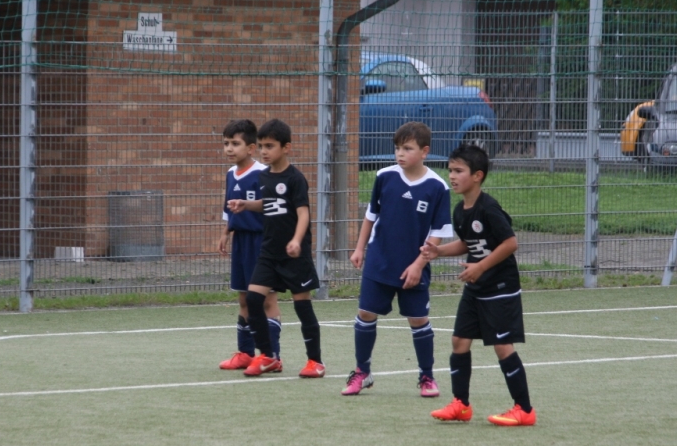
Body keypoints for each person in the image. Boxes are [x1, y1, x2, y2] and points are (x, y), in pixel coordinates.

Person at [421, 143, 535, 426]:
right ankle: (461, 405)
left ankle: (524, 409)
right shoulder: (460, 210)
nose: (452, 176)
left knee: (502, 346)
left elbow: (510, 243)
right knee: (459, 341)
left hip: (500, 288)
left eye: (458, 171)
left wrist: (481, 266)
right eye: (450, 170)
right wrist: (439, 251)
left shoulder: (489, 208)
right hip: (476, 288)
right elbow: (467, 243)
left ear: (477, 175)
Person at [343, 121, 452, 398]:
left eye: (407, 148)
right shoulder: (385, 177)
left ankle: (427, 376)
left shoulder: (437, 187)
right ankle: (362, 372)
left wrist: (418, 265)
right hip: (379, 261)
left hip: (412, 267)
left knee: (418, 319)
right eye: (397, 148)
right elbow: (371, 216)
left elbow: (438, 234)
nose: (400, 154)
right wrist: (359, 249)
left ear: (424, 151)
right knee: (366, 314)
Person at [226, 119, 324, 379]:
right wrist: (246, 205)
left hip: (294, 255)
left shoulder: (295, 178)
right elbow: (269, 203)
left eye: (269, 146)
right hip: (268, 252)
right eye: (261, 146)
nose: (264, 151)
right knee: (253, 299)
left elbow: (303, 213)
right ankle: (268, 356)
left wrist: (296, 240)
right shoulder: (264, 176)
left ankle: (315, 361)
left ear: (286, 147)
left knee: (302, 306)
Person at [216, 119, 282, 370]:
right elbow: (229, 208)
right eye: (226, 143)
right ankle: (245, 353)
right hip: (241, 242)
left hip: (263, 242)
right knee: (244, 299)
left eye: (235, 143)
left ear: (251, 148)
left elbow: (275, 207)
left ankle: (272, 356)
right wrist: (226, 233)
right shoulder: (230, 174)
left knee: (266, 300)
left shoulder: (263, 174)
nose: (229, 148)